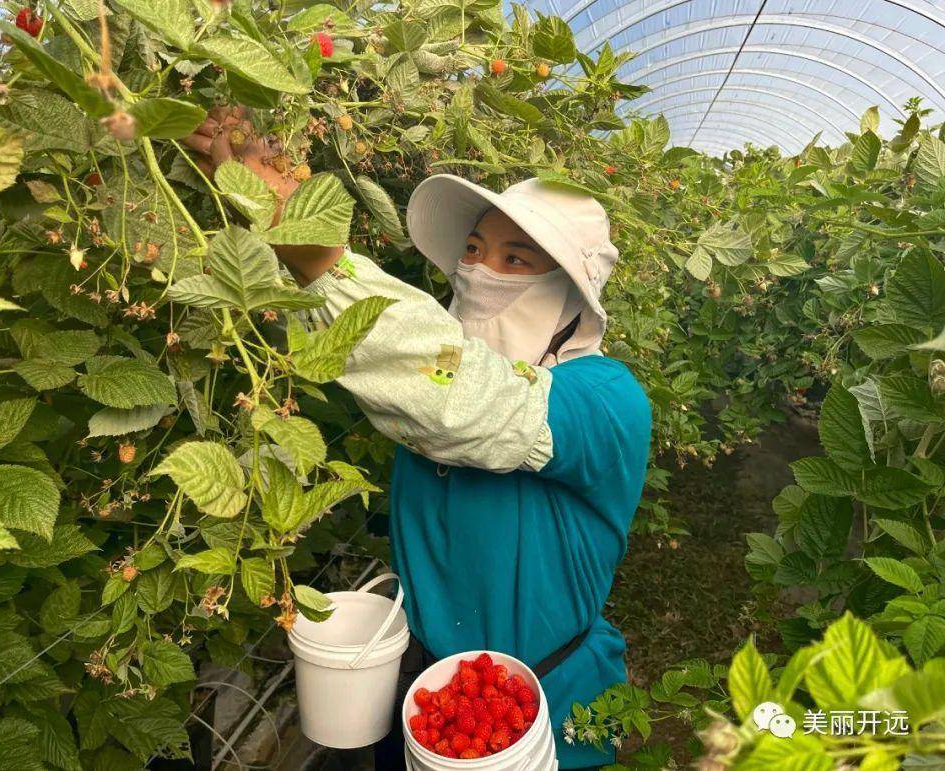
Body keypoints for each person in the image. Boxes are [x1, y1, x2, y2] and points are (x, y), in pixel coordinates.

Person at [184, 107, 652, 770]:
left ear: (571, 295)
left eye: (516, 258)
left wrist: (313, 244)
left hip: (544, 713)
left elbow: (463, 399)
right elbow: (409, 374)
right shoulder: (422, 385)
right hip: (427, 703)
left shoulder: (606, 399)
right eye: (473, 250)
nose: (480, 271)